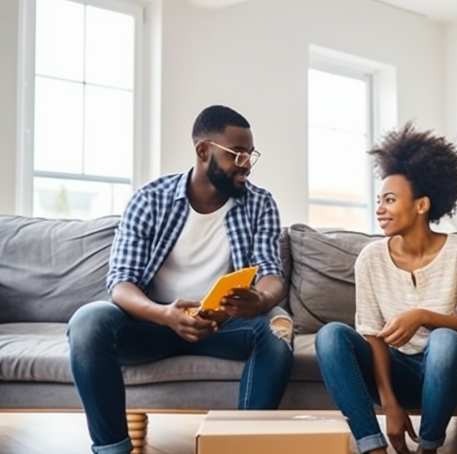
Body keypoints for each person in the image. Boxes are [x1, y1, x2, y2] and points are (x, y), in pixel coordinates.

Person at [67, 105, 294, 454]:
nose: (246, 163)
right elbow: (120, 283)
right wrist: (165, 315)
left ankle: (245, 446)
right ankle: (113, 449)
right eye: (237, 154)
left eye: (250, 154)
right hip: (155, 323)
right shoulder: (150, 199)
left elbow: (271, 274)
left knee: (279, 324)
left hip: (224, 325)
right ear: (204, 151)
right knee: (87, 321)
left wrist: (261, 301)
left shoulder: (260, 203)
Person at [315, 122, 457, 454]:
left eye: (390, 200)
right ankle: (373, 447)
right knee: (330, 336)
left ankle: (427, 449)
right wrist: (390, 404)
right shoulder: (370, 259)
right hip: (397, 368)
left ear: (422, 205)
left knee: (442, 340)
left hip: (451, 367)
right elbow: (372, 335)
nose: (380, 209)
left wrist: (423, 316)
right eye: (379, 200)